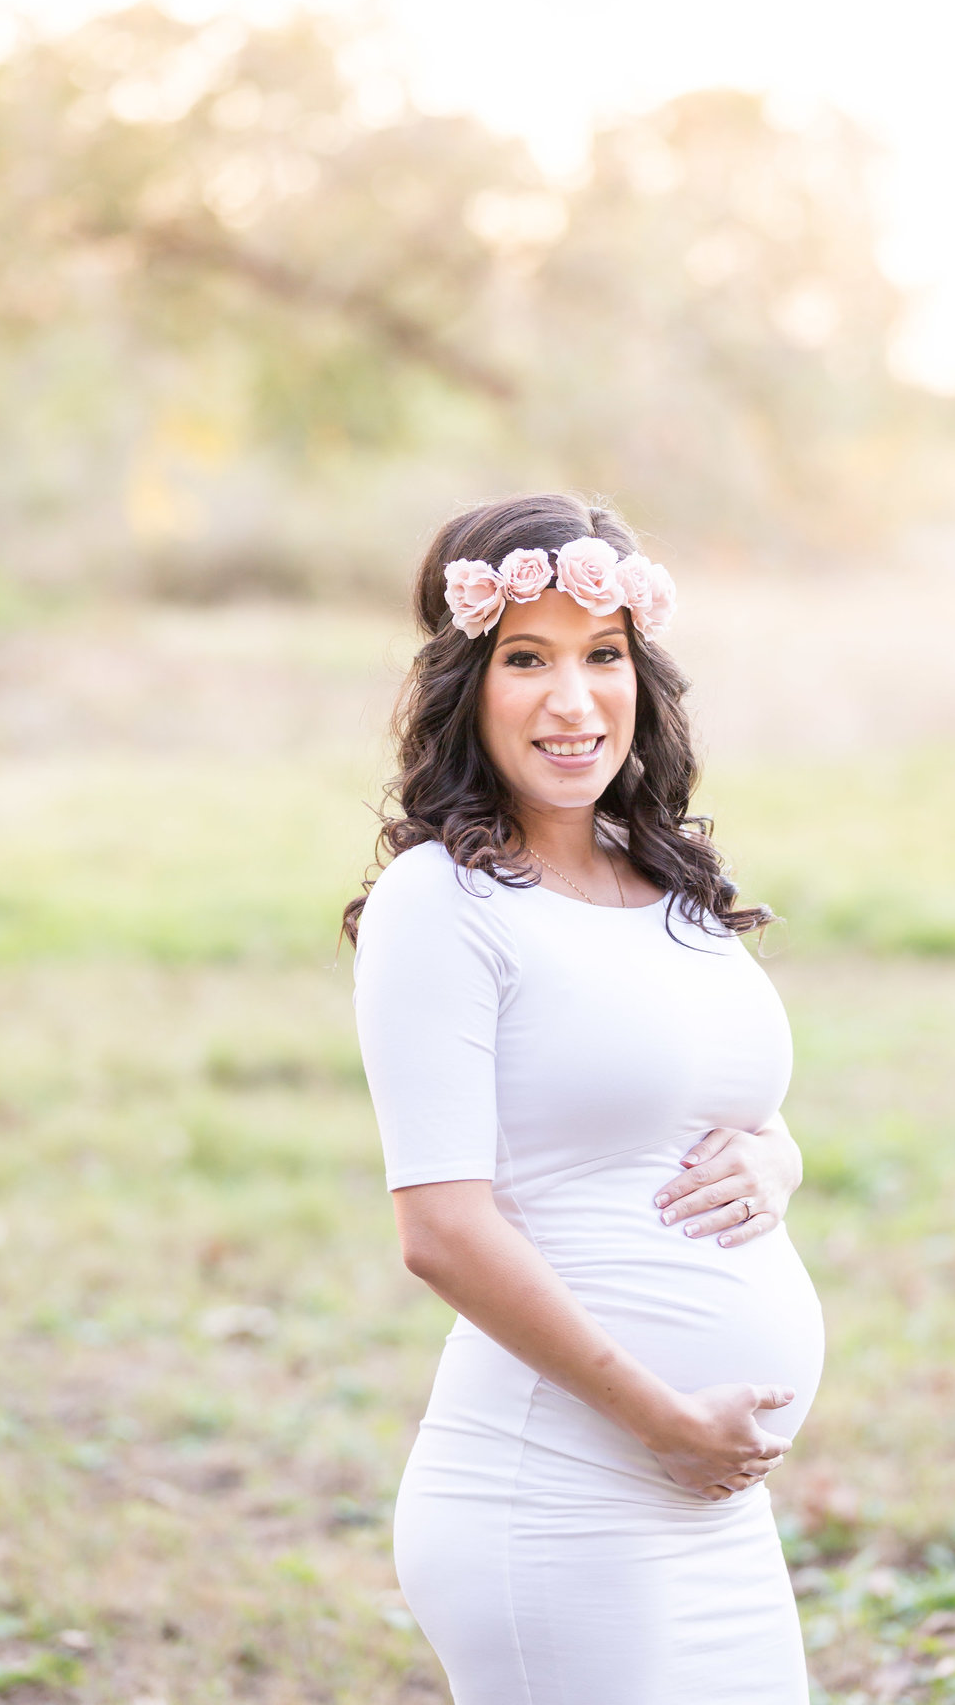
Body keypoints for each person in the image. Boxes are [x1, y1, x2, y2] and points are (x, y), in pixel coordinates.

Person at [346, 493, 825, 1705]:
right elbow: (440, 1229)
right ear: (465, 685)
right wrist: (661, 1416)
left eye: (603, 655)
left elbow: (686, 1100)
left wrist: (783, 1159)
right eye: (528, 660)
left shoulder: (662, 875)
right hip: (557, 1499)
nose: (575, 701)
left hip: (712, 1509)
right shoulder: (441, 901)